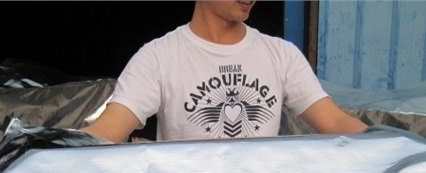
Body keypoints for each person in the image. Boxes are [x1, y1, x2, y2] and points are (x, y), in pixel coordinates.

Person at [81, 0, 367, 143]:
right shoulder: (158, 58)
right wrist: (57, 148)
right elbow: (105, 132)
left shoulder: (282, 54)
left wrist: (390, 143)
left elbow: (335, 122)